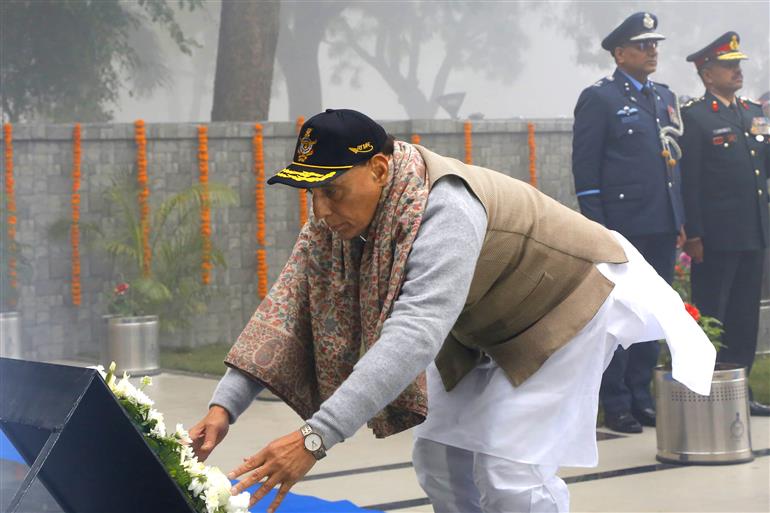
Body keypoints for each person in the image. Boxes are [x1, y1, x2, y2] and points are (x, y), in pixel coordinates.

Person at [189, 109, 715, 513]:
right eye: (311, 194)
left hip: (563, 303)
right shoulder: (339, 220)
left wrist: (314, 436)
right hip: (482, 322)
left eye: (333, 191)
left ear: (377, 168)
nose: (322, 210)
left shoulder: (446, 208)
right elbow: (286, 306)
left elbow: (414, 334)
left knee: (511, 472)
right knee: (440, 459)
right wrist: (223, 408)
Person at [571, 12, 686, 434]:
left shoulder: (664, 96)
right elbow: (585, 169)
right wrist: (599, 229)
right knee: (618, 316)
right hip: (622, 226)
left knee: (652, 314)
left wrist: (681, 219)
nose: (652, 51)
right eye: (643, 44)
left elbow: (674, 164)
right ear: (620, 53)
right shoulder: (599, 98)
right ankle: (614, 402)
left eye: (655, 44)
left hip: (660, 222)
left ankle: (641, 396)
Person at [679, 32, 770, 416]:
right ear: (706, 73)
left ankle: (740, 391)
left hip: (754, 232)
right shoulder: (696, 117)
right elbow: (690, 181)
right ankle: (706, 392)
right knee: (714, 313)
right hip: (716, 238)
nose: (737, 71)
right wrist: (694, 233)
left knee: (745, 316)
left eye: (738, 64)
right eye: (728, 65)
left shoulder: (753, 113)